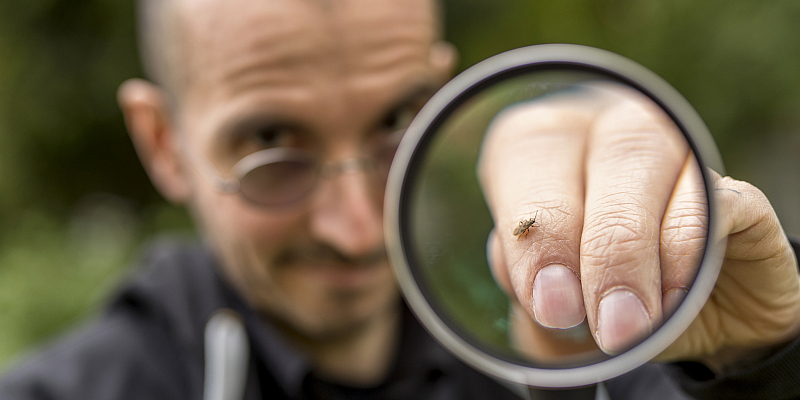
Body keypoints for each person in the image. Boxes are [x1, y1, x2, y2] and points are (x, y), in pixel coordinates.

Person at [0, 0, 797, 399]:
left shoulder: (575, 338)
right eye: (270, 147)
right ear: (163, 143)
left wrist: (763, 358)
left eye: (396, 125)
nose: (357, 229)